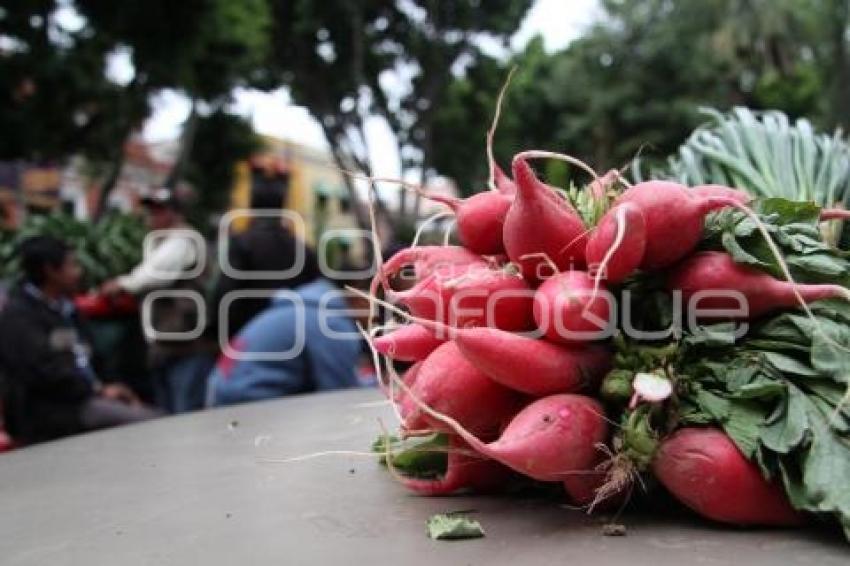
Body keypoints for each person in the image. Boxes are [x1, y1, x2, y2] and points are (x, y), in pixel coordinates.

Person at [0, 236, 158, 444]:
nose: (78, 272)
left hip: (87, 398)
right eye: (71, 265)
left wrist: (112, 387)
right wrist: (97, 390)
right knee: (151, 424)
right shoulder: (20, 316)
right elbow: (45, 372)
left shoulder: (67, 309)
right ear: (50, 270)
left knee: (149, 412)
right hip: (54, 411)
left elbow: (94, 357)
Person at [100, 188, 213, 414]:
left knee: (185, 415)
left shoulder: (182, 240)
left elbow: (152, 275)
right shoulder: (161, 242)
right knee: (168, 412)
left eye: (159, 210)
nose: (152, 216)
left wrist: (122, 284)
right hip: (167, 345)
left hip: (186, 345)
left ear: (175, 213)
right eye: (150, 210)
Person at [208, 274, 370, 407]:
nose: (375, 313)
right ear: (357, 295)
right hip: (248, 398)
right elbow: (342, 393)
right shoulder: (331, 323)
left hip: (221, 387)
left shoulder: (300, 309)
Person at [210, 184, 321, 340]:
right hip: (292, 335)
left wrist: (217, 332)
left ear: (252, 207)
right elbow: (317, 293)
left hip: (247, 334)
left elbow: (225, 291)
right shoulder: (303, 250)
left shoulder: (242, 243)